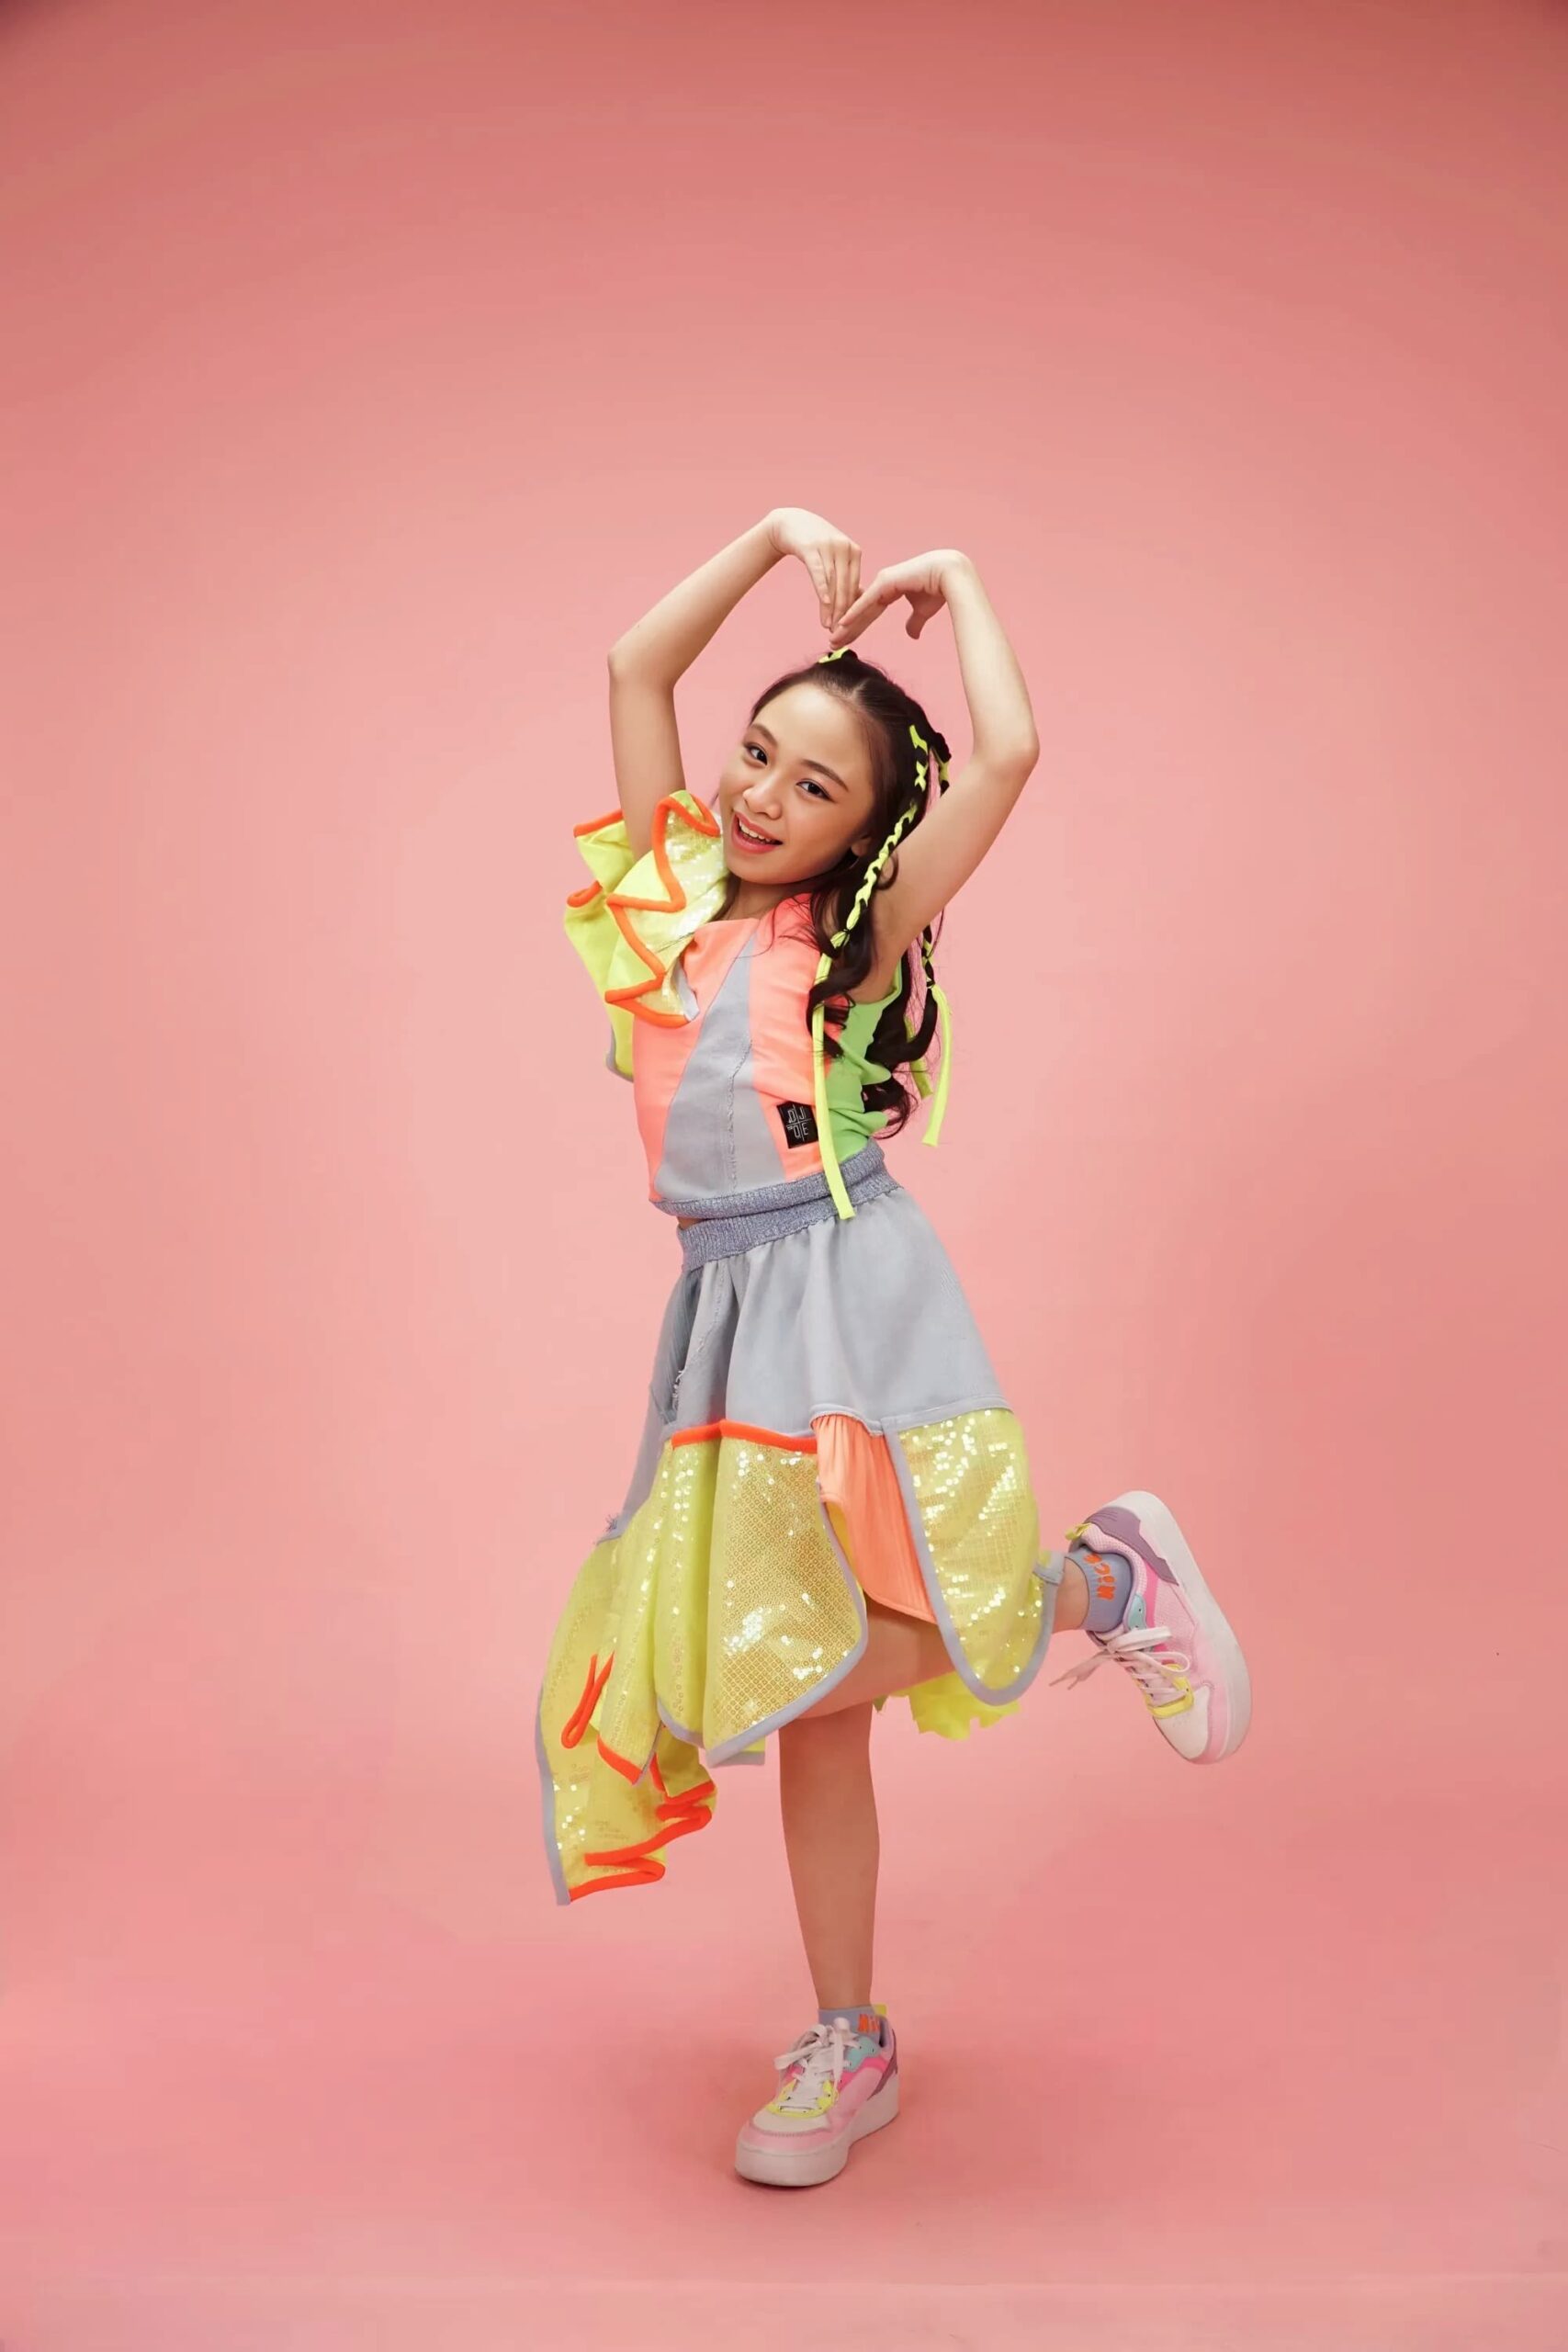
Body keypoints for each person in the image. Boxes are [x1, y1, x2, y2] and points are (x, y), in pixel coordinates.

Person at [535, 506, 1252, 2190]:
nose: (762, 797)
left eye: (814, 788)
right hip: (723, 1311)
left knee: (808, 1654)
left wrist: (966, 582)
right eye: (759, 755)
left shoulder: (844, 945)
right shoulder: (667, 894)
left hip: (846, 1294)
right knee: (804, 1702)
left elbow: (1006, 755)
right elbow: (636, 666)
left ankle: (1098, 1586)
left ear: (863, 835)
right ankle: (850, 2037)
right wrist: (772, 537)